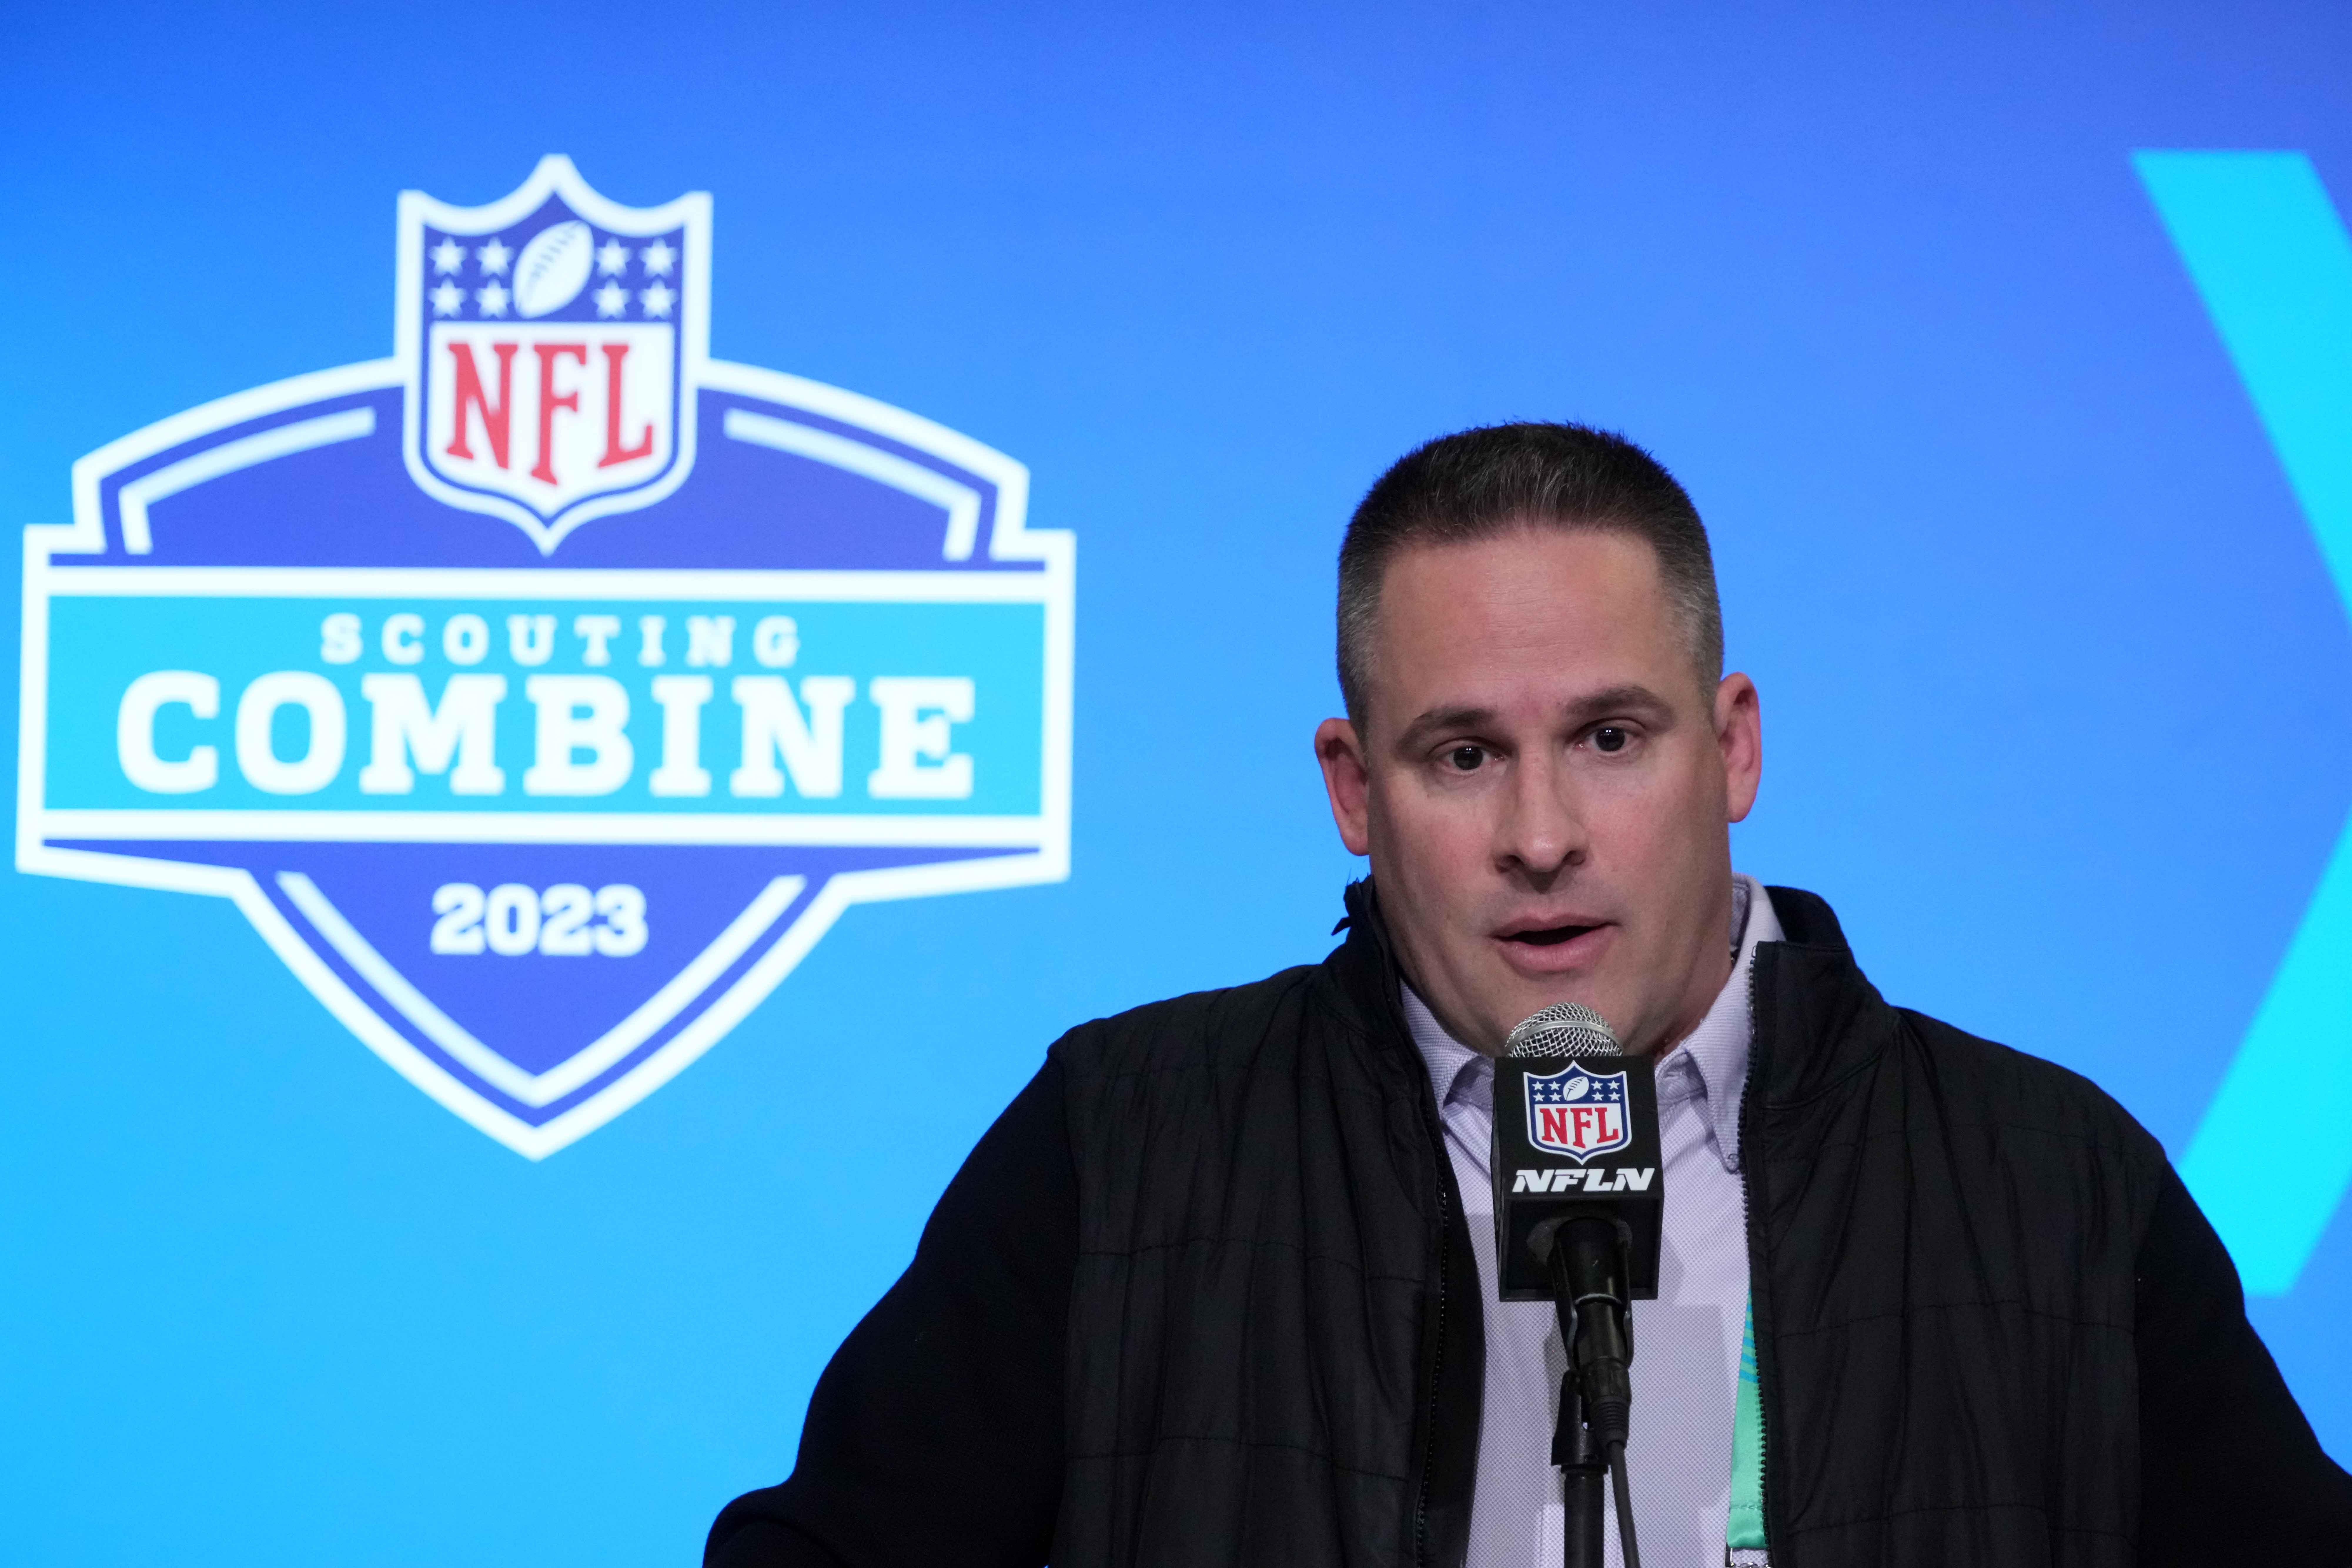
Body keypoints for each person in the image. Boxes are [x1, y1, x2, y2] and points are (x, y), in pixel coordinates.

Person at [707, 423, 2352, 1567]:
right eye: (1463, 753)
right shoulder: (1129, 1144)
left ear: (1736, 749)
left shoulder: (2044, 1180)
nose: (1543, 835)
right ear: (1354, 789)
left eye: (1611, 739)